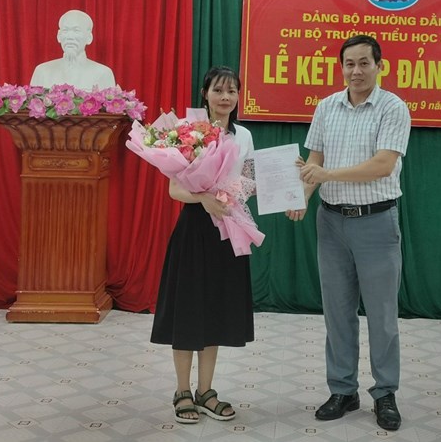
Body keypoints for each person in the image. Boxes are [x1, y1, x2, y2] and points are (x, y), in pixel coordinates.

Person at [286, 34, 411, 431]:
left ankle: (385, 393)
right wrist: (302, 196)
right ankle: (342, 389)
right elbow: (314, 162)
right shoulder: (326, 107)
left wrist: (326, 175)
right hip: (331, 223)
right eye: (349, 64)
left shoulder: (393, 108)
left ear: (379, 66)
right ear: (341, 67)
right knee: (338, 312)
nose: (356, 71)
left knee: (382, 316)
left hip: (377, 223)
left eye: (364, 63)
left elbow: (382, 165)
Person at [150, 66, 255, 425]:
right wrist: (204, 199)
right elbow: (174, 188)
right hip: (195, 228)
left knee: (215, 309)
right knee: (188, 309)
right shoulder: (187, 130)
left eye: (232, 91)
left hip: (229, 227)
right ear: (205, 93)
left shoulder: (244, 135)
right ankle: (182, 391)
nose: (225, 97)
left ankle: (206, 391)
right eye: (218, 90)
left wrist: (232, 194)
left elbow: (248, 182)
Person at [29, 9, 117, 90]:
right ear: (59, 36)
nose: (70, 36)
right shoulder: (42, 71)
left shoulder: (103, 74)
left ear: (89, 37)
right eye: (65, 30)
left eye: (76, 31)